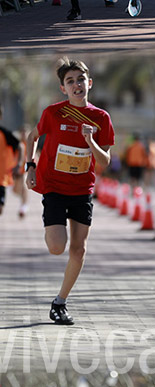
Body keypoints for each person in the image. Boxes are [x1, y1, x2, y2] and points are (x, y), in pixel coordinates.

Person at [25, 56, 114, 326]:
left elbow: (104, 162)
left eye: (81, 79)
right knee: (56, 247)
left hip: (81, 190)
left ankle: (59, 302)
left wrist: (90, 140)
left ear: (90, 83)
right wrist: (30, 166)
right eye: (70, 81)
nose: (77, 85)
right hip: (54, 186)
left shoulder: (101, 118)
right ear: (63, 88)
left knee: (78, 251)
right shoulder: (53, 113)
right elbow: (32, 137)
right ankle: (51, 228)